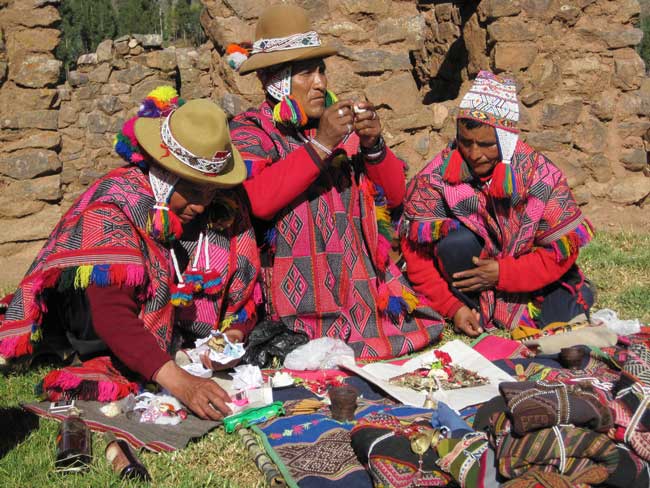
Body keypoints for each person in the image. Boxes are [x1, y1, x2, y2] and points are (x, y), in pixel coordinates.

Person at [0, 87, 259, 420]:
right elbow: (112, 315)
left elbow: (246, 291)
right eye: (194, 188)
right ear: (165, 175)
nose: (204, 202)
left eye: (213, 189)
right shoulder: (114, 206)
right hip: (94, 322)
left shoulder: (223, 207)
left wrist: (231, 338)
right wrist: (181, 382)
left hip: (173, 336)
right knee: (103, 327)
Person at [226, 4, 444, 359]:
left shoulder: (338, 130)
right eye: (306, 74)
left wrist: (373, 146)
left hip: (358, 289)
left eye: (322, 71)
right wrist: (320, 145)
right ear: (275, 80)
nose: (321, 83)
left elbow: (392, 196)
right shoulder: (251, 131)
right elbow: (257, 202)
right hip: (290, 299)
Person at [401, 71, 595, 338]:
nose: (474, 153)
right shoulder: (435, 179)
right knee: (455, 245)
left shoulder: (541, 178)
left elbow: (562, 253)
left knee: (564, 334)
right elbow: (417, 256)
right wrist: (454, 308)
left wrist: (504, 273)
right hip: (469, 288)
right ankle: (474, 310)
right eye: (466, 142)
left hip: (530, 281)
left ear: (506, 140)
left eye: (487, 145)